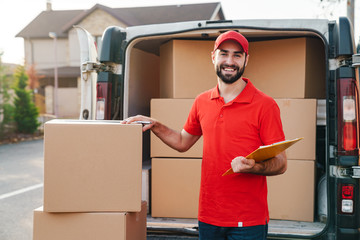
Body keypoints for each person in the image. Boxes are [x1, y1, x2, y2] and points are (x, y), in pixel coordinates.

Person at [121, 30, 287, 240]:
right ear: (213, 57)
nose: (230, 61)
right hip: (209, 216)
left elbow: (281, 162)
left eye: (237, 55)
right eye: (224, 53)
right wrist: (155, 125)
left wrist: (255, 167)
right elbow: (182, 142)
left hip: (248, 219)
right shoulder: (202, 101)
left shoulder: (265, 105)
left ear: (246, 59)